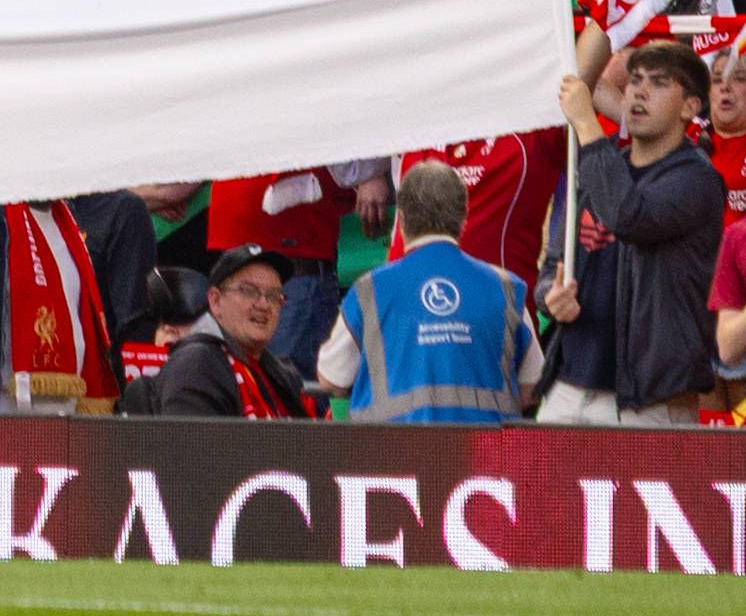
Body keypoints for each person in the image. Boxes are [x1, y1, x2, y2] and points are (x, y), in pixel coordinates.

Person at [541, 37, 728, 423]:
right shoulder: (599, 164)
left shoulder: (697, 179)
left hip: (650, 398)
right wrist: (551, 296)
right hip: (569, 383)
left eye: (659, 83)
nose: (639, 91)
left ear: (691, 106)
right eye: (635, 80)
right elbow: (554, 264)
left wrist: (587, 123)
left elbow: (630, 217)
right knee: (541, 485)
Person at [320, 158, 535, 423]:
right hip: (484, 460)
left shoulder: (369, 290)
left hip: (390, 459)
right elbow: (531, 386)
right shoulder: (506, 289)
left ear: (402, 218)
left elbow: (331, 378)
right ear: (463, 217)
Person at [137, 252, 312, 418]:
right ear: (215, 300)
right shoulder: (197, 364)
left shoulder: (282, 375)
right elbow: (191, 446)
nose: (263, 304)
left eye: (273, 296)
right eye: (248, 291)